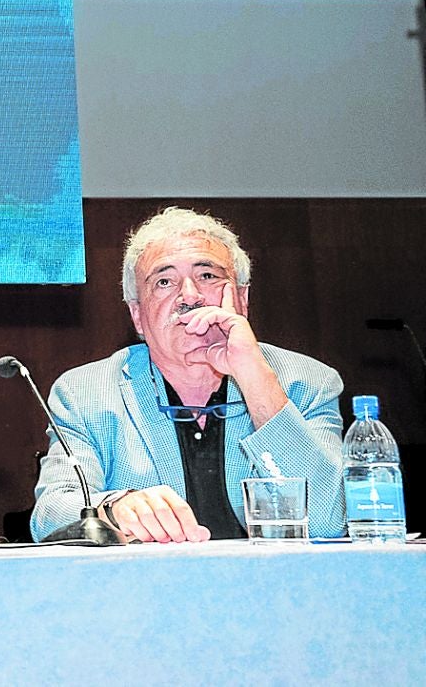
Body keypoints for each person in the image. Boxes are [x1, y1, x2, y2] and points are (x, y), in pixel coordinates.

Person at [30, 206, 346, 542]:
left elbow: (328, 520)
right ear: (137, 316)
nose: (189, 297)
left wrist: (253, 375)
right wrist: (114, 508)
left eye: (207, 276)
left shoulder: (307, 383)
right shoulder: (86, 393)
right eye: (164, 282)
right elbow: (50, 516)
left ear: (242, 298)